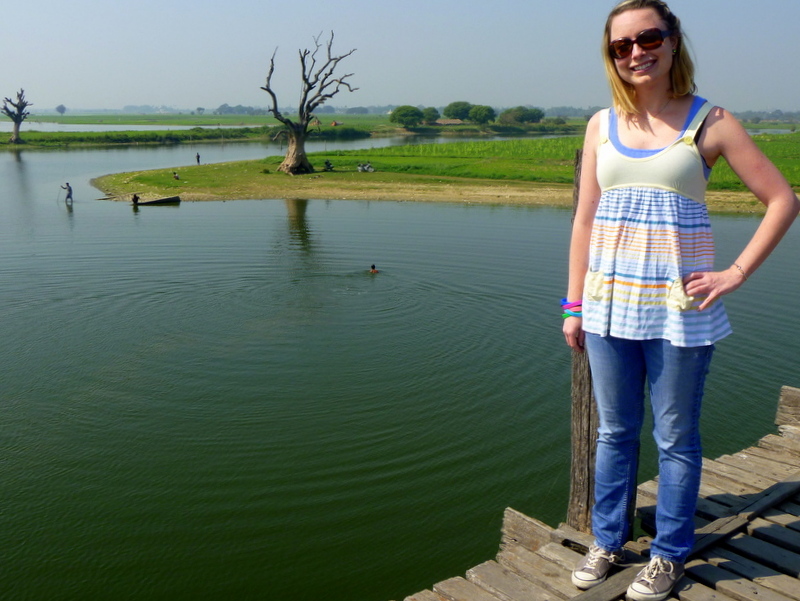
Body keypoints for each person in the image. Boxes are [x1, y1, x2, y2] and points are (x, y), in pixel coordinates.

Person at [564, 2, 799, 600]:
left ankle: (669, 553)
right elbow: (585, 219)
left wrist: (736, 272)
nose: (636, 52)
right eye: (621, 45)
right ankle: (607, 540)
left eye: (648, 38)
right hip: (608, 306)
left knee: (675, 438)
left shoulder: (710, 121)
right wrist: (573, 304)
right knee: (614, 433)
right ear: (611, 55)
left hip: (679, 312)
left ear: (672, 42)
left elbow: (782, 199)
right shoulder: (600, 124)